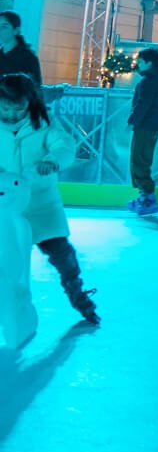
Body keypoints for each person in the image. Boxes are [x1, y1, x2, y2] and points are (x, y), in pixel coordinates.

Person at [0, 74, 98, 344]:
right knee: (5, 263)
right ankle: (11, 310)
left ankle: (78, 294)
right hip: (5, 208)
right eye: (5, 108)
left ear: (29, 103)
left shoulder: (44, 123)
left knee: (62, 255)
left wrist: (52, 160)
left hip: (40, 205)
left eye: (17, 108)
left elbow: (64, 145)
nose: (10, 114)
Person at [127, 48, 158, 216]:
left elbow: (143, 104)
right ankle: (145, 196)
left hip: (145, 126)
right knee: (141, 159)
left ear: (149, 63)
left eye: (140, 62)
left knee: (139, 160)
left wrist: (132, 121)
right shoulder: (155, 79)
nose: (138, 65)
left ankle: (148, 198)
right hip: (150, 126)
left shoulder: (149, 81)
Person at [0, 11, 44, 99]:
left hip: (18, 104)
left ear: (16, 30)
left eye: (4, 26)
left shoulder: (28, 57)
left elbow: (36, 90)